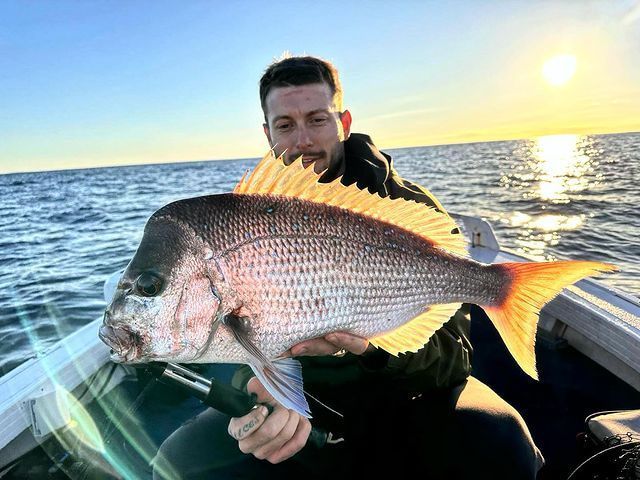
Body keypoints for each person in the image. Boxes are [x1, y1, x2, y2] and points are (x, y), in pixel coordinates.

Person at [152, 55, 545, 479]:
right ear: (267, 133)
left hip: (399, 395)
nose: (302, 140)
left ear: (344, 121)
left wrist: (372, 349)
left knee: (504, 443)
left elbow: (453, 360)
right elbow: (227, 335)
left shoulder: (406, 208)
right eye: (285, 125)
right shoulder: (239, 220)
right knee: (177, 462)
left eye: (317, 119)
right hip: (305, 405)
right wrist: (252, 389)